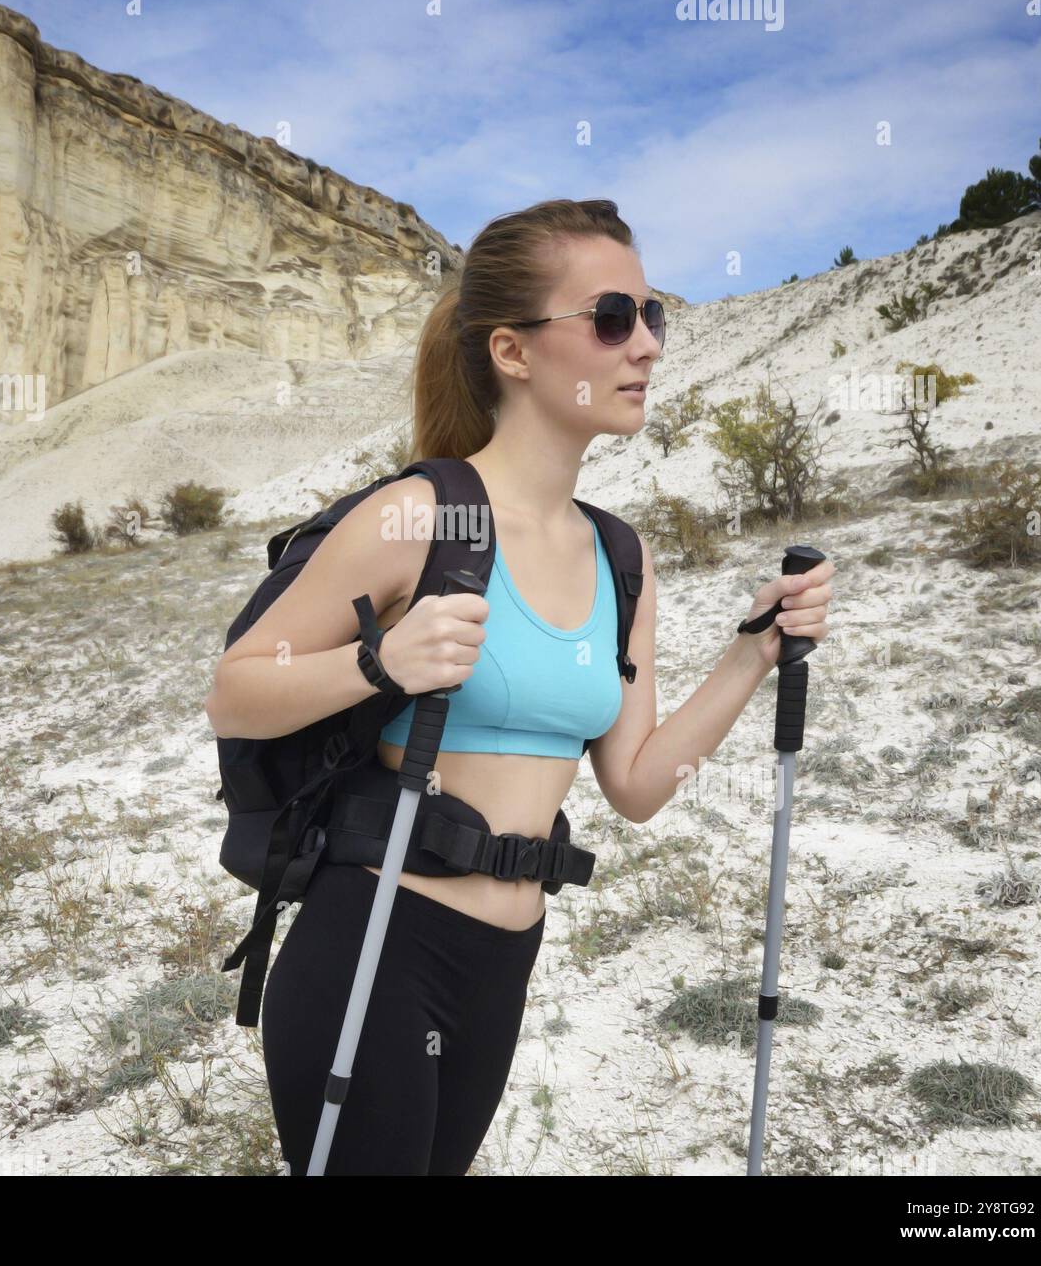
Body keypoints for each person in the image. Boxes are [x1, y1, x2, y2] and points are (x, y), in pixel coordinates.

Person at [205, 197, 835, 1174]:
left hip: (502, 964)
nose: (646, 347)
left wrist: (749, 655)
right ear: (512, 350)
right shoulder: (419, 513)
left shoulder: (619, 554)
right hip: (374, 948)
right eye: (612, 318)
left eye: (652, 314)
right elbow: (236, 689)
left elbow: (633, 785)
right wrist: (380, 662)